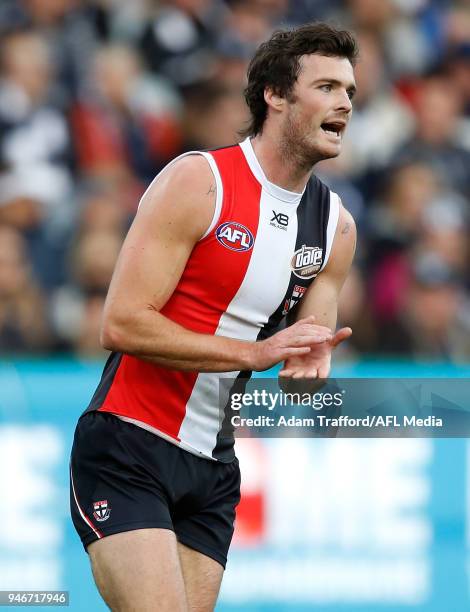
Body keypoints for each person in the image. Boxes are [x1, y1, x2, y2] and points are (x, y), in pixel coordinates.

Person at [70, 22, 358, 612]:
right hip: (131, 443)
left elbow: (305, 369)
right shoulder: (200, 182)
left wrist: (312, 369)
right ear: (275, 95)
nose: (345, 103)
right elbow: (121, 323)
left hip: (216, 468)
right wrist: (253, 354)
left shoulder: (336, 228)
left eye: (350, 91)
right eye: (327, 87)